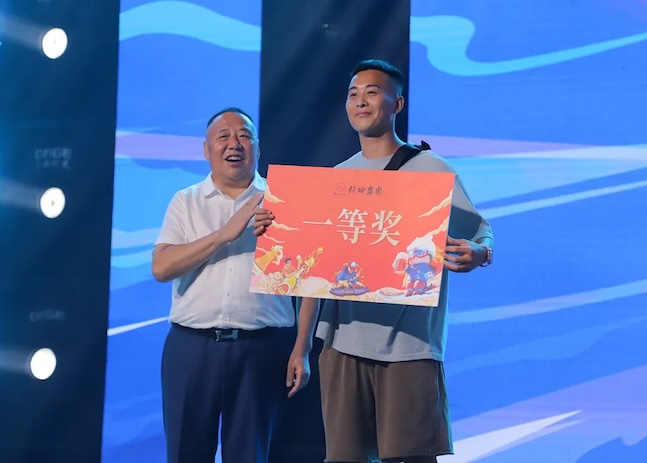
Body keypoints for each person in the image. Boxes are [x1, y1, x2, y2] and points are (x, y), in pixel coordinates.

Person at [317, 59, 494, 463]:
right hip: (343, 343)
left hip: (409, 345)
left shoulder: (430, 168)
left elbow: (481, 231)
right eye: (353, 94)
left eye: (373, 92)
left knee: (411, 458)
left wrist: (481, 253)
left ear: (397, 104)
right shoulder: (337, 176)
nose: (361, 101)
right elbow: (316, 263)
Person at [151, 107, 320, 463]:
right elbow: (162, 268)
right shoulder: (186, 201)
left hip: (262, 350)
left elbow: (310, 283)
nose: (234, 144)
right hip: (191, 347)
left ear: (258, 147)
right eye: (223, 136)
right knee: (184, 453)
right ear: (206, 149)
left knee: (250, 455)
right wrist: (224, 235)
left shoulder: (285, 200)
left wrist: (302, 348)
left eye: (244, 136)